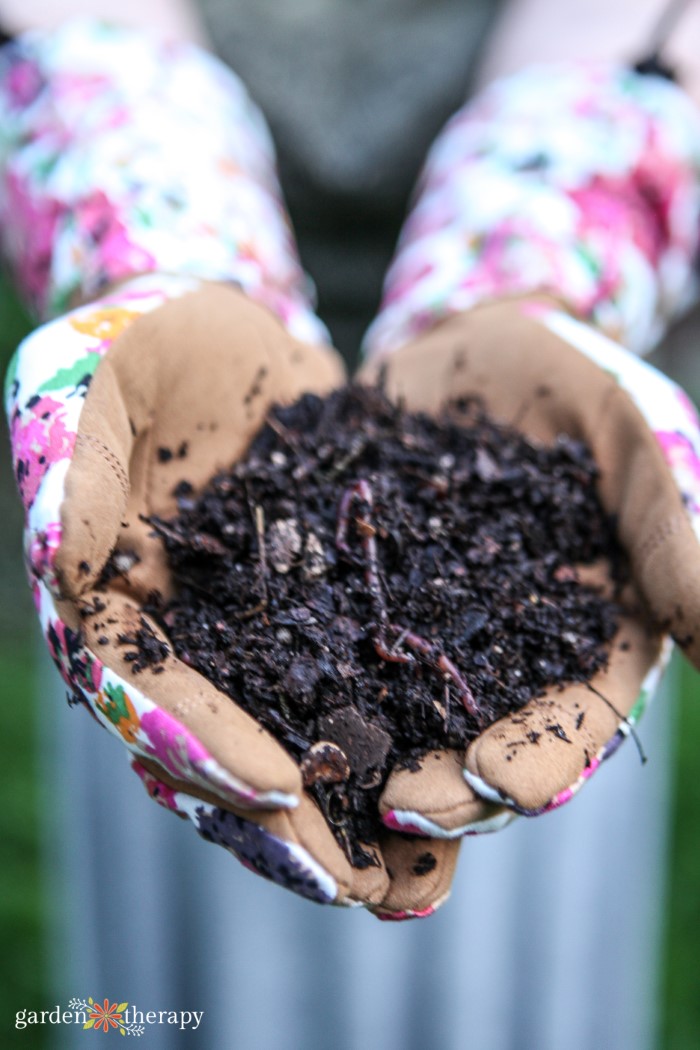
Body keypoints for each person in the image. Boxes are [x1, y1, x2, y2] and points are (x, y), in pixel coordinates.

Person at [2, 1, 700, 1046]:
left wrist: (566, 191)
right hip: (175, 432)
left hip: (540, 330)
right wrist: (130, 149)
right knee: (193, 756)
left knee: (505, 831)